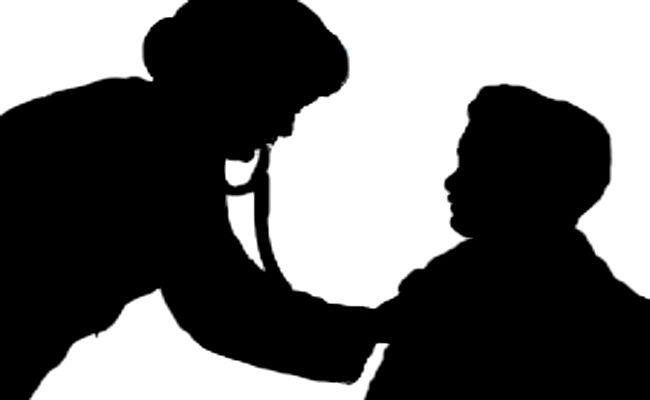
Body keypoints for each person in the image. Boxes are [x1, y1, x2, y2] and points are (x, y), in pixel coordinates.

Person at [1, 1, 374, 398]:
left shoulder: (133, 121)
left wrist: (364, 329)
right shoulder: (154, 148)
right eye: (286, 102)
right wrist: (371, 328)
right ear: (236, 81)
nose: (286, 128)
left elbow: (223, 297)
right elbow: (220, 306)